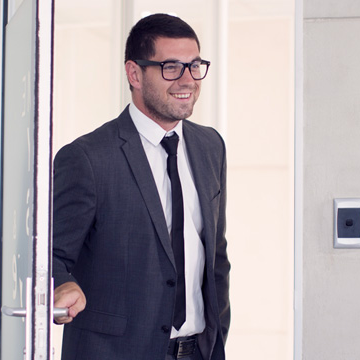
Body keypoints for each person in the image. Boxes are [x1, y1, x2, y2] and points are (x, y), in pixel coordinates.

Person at [52, 13, 230, 360]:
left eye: (195, 66)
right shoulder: (87, 158)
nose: (187, 80)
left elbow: (216, 253)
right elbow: (46, 256)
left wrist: (218, 331)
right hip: (115, 351)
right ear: (134, 74)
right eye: (171, 67)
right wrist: (64, 284)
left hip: (198, 351)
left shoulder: (211, 146)